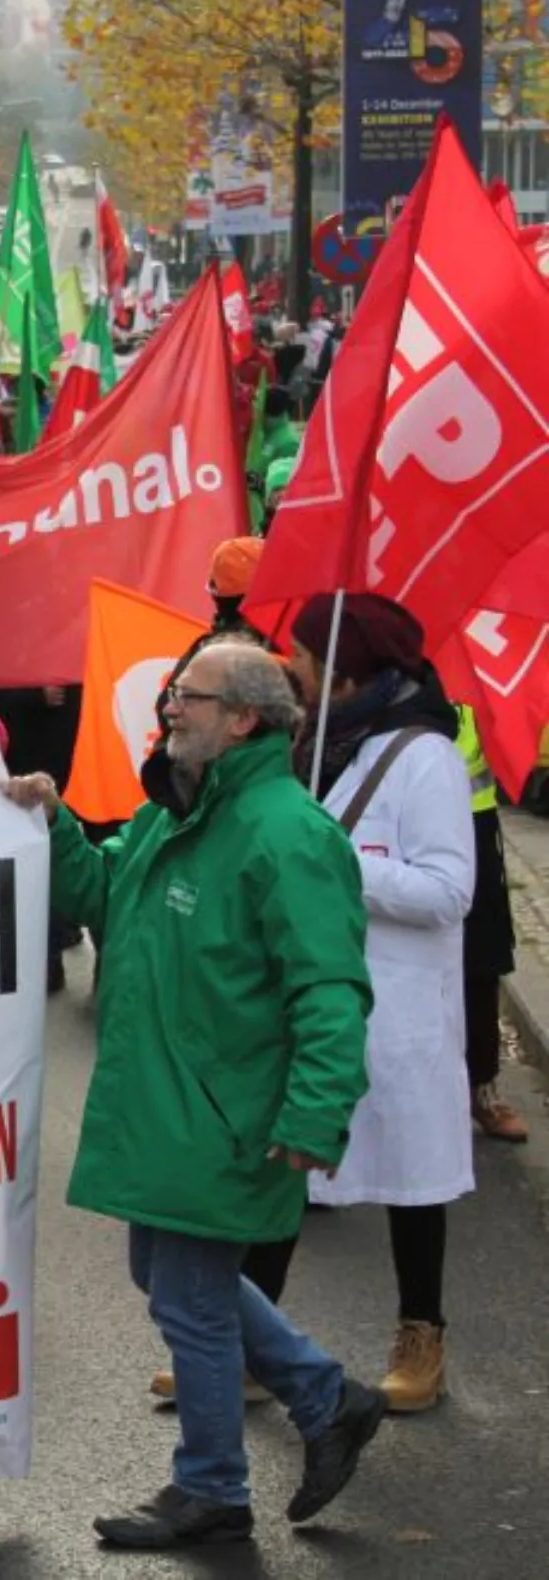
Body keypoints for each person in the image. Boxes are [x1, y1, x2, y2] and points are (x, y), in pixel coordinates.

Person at [5, 642, 387, 1548]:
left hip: (227, 1118)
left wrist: (314, 1113)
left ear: (244, 719)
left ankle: (213, 1486)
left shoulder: (287, 834)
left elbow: (331, 989)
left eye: (189, 697)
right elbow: (99, 893)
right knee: (169, 1279)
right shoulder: (177, 815)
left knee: (191, 1298)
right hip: (174, 1111)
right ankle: (329, 1397)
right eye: (175, 694)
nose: (170, 708)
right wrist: (55, 822)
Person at [277, 596, 474, 1414]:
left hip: (396, 1008)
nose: (291, 668)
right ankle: (258, 1345)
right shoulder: (313, 746)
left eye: (303, 656)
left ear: (343, 670)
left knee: (411, 1178)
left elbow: (447, 890)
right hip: (312, 998)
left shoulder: (423, 756)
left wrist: (340, 863)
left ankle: (421, 1335)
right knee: (281, 1175)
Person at [461, 703, 525, 1142]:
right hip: (400, 813)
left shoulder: (473, 663)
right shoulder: (389, 661)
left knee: (481, 961)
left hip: (473, 818)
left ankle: (482, 1085)